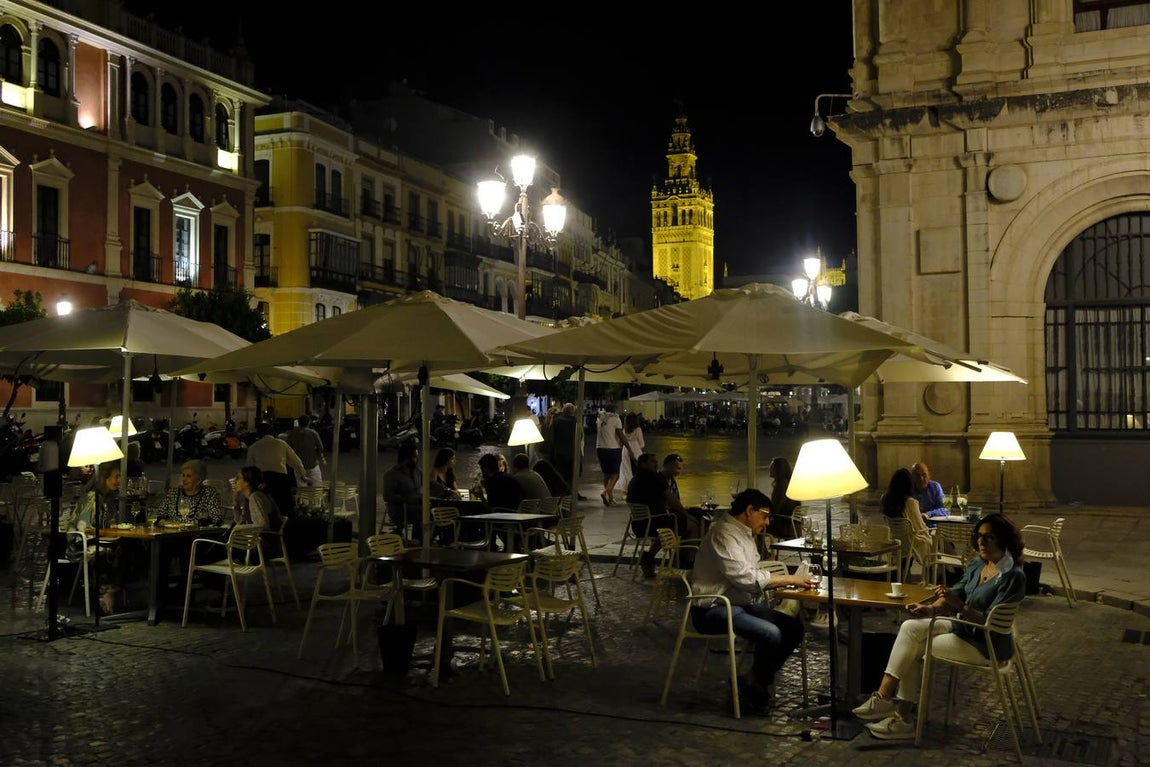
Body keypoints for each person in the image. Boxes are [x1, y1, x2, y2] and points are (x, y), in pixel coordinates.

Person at [852, 512, 1027, 739]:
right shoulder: (977, 565)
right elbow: (954, 593)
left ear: (1003, 540)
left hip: (986, 644)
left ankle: (901, 718)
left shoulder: (1013, 576)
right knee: (910, 628)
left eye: (989, 537)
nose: (982, 542)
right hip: (962, 629)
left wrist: (960, 606)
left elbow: (988, 623)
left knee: (913, 647)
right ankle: (884, 698)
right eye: (979, 536)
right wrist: (932, 609)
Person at [690, 488, 809, 715]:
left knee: (793, 628)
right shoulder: (724, 534)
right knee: (771, 633)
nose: (767, 522)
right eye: (764, 515)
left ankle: (752, 680)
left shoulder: (744, 534)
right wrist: (789, 578)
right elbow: (746, 579)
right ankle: (756, 687)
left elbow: (751, 575)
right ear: (749, 510)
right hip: (712, 607)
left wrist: (780, 583)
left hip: (739, 604)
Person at [70, 462, 125, 614]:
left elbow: (109, 522)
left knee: (130, 547)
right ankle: (105, 593)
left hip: (100, 539)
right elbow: (85, 529)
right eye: (116, 477)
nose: (119, 480)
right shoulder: (92, 498)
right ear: (104, 478)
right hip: (81, 543)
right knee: (110, 552)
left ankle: (113, 590)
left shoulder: (109, 498)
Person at [625, 452, 679, 577]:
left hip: (637, 524)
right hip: (652, 524)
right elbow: (671, 500)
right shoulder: (655, 478)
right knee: (681, 524)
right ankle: (680, 561)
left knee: (674, 521)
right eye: (653, 462)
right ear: (643, 464)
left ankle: (649, 558)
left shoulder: (634, 480)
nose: (656, 464)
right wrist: (687, 515)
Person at [245, 421, 308, 517]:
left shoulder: (253, 447)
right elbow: (297, 462)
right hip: (280, 479)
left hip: (262, 479)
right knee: (286, 507)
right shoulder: (281, 444)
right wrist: (302, 475)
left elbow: (249, 467)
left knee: (263, 508)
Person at [881, 467, 934, 571]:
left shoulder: (885, 499)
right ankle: (935, 575)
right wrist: (929, 533)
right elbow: (919, 526)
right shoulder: (910, 502)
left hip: (896, 540)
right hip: (911, 541)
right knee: (934, 541)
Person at [478, 452, 525, 551]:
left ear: (485, 469)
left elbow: (490, 507)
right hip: (519, 516)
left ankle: (487, 547)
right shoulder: (511, 478)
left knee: (481, 517)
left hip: (504, 517)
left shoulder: (493, 481)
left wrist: (481, 496)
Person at [157, 459, 225, 526]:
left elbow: (216, 519)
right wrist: (164, 522)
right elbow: (160, 514)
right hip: (171, 532)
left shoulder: (209, 493)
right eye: (183, 475)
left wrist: (199, 523)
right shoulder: (173, 492)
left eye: (189, 476)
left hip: (197, 534)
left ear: (198, 480)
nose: (184, 480)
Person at [383, 440, 423, 542]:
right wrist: (405, 498)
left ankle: (420, 538)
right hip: (399, 509)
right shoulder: (392, 474)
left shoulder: (417, 471)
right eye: (414, 457)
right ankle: (418, 539)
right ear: (406, 458)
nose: (417, 460)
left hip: (415, 506)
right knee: (425, 513)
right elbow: (387, 496)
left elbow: (429, 484)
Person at [233, 465, 283, 532]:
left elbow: (263, 526)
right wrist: (235, 501)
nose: (235, 481)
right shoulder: (248, 499)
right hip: (253, 538)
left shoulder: (256, 497)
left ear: (247, 482)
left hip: (263, 540)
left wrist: (241, 527)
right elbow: (240, 521)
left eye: (238, 478)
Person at [595, 404, 625, 505]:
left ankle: (610, 497)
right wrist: (629, 447)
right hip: (613, 448)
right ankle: (605, 492)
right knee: (615, 475)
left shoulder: (600, 418)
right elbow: (621, 435)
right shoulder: (616, 419)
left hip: (600, 448)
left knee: (607, 474)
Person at [285, 414, 326, 486]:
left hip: (298, 464)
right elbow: (320, 447)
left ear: (298, 422)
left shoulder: (292, 433)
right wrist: (318, 457)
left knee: (302, 488)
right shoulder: (313, 433)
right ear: (309, 422)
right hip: (312, 464)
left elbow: (287, 447)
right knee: (316, 486)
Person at [767, 456, 801, 539]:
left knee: (754, 525)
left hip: (784, 527)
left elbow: (775, 509)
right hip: (794, 527)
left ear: (778, 469)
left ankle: (762, 551)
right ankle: (763, 551)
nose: (769, 469)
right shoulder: (790, 484)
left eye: (772, 467)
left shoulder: (782, 486)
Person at [549, 402, 579, 493]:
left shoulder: (557, 421)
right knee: (570, 475)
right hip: (572, 453)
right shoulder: (575, 422)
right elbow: (579, 436)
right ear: (572, 411)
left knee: (560, 475)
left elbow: (552, 438)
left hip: (559, 452)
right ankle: (570, 493)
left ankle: (562, 493)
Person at [617, 412, 645, 494]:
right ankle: (637, 487)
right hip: (636, 449)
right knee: (637, 469)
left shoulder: (624, 429)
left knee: (627, 469)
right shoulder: (638, 429)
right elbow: (642, 444)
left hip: (625, 450)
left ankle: (627, 488)